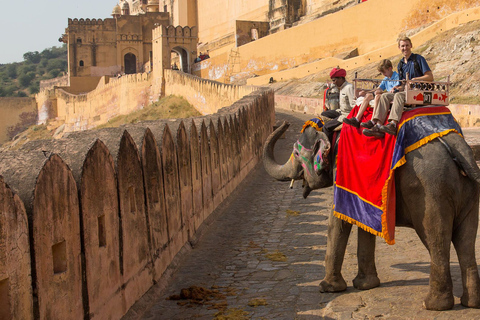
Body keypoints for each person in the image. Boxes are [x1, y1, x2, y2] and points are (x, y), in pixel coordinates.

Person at [363, 36, 433, 137]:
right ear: (399, 48)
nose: (405, 48)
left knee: (398, 96)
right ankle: (378, 125)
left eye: (407, 45)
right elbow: (402, 84)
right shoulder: (400, 64)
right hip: (406, 91)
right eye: (402, 46)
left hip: (418, 91)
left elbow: (430, 77)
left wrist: (415, 80)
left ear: (411, 46)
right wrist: (397, 88)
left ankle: (392, 124)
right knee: (384, 96)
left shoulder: (418, 59)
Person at [343, 59, 399, 128]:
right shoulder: (385, 79)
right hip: (385, 95)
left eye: (384, 72)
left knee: (378, 96)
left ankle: (373, 121)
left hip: (390, 96)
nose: (383, 74)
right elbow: (379, 88)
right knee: (368, 95)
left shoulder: (397, 77)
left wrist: (380, 92)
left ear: (390, 68)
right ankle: (357, 119)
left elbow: (394, 90)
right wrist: (366, 92)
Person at [321, 67, 355, 136]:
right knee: (324, 114)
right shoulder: (341, 87)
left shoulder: (349, 87)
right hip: (340, 111)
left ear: (340, 78)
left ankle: (329, 146)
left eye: (334, 80)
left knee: (326, 127)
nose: (333, 83)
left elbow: (353, 105)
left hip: (346, 115)